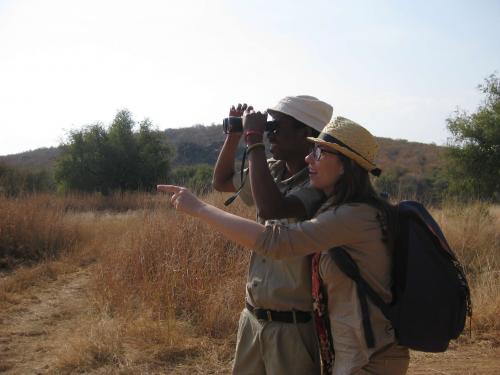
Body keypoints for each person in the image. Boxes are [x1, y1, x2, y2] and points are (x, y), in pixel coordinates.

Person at [158, 116, 410, 375]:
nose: (310, 159)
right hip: (354, 353)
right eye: (312, 150)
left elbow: (276, 241)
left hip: (371, 357)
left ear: (346, 165)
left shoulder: (354, 216)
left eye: (320, 153)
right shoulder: (339, 210)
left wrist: (199, 208)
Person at [212, 95, 333, 374]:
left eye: (277, 126)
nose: (271, 133)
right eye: (270, 127)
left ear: (307, 133)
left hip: (293, 327)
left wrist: (254, 140)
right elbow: (221, 182)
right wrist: (235, 136)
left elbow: (271, 209)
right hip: (253, 318)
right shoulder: (272, 170)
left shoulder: (319, 183)